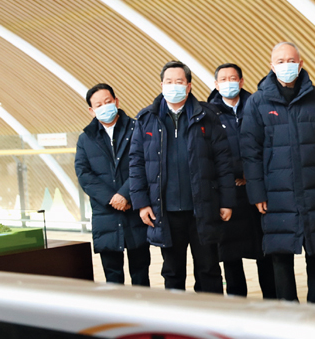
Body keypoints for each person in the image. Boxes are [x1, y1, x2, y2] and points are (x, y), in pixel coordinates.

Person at [241, 42, 315, 304]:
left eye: (291, 61)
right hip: (276, 194)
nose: (286, 66)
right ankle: (289, 310)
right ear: (271, 66)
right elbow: (250, 151)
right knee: (280, 256)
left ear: (301, 64)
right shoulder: (257, 102)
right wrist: (257, 192)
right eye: (280, 61)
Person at [129, 61, 235, 293]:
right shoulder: (146, 118)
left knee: (208, 269)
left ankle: (210, 313)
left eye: (179, 82)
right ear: (161, 85)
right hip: (164, 210)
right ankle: (176, 314)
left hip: (202, 208)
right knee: (172, 271)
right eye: (169, 82)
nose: (173, 86)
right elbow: (136, 163)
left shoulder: (207, 116)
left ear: (188, 86)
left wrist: (227, 201)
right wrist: (142, 203)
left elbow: (223, 162)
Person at [207, 63, 277, 299]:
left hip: (258, 190)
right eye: (223, 79)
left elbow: (268, 143)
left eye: (233, 78)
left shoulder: (257, 105)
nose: (229, 83)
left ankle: (271, 300)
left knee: (265, 251)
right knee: (230, 256)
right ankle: (237, 302)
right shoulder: (209, 113)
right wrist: (236, 174)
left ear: (242, 81)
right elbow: (212, 154)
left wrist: (252, 174)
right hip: (229, 194)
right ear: (216, 85)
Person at [75, 84, 150, 286]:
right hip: (106, 215)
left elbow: (145, 164)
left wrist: (125, 194)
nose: (104, 107)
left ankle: (142, 305)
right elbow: (84, 174)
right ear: (91, 110)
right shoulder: (85, 139)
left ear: (116, 102)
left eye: (108, 102)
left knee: (141, 273)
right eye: (98, 105)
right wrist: (112, 198)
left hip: (134, 209)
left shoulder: (137, 129)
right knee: (112, 276)